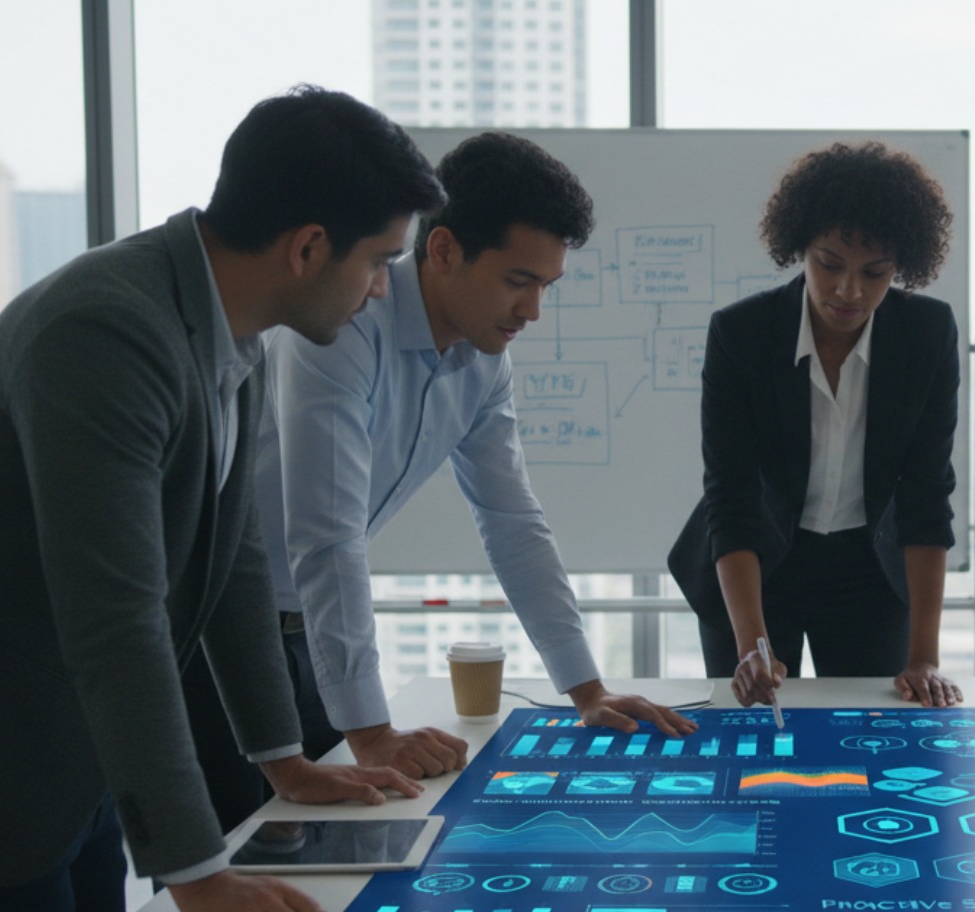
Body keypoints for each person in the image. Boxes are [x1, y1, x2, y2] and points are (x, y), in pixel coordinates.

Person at [0, 87, 445, 912]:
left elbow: (241, 556)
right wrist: (198, 873)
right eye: (379, 261)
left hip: (63, 756)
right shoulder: (106, 330)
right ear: (306, 247)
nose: (382, 288)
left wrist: (281, 757)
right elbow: (117, 618)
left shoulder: (230, 331)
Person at [190, 133, 699, 831]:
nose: (533, 312)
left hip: (308, 635)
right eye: (518, 281)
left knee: (322, 857)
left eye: (545, 287)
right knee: (233, 873)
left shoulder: (484, 361)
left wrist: (586, 690)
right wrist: (373, 733)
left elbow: (513, 520)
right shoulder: (343, 324)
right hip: (218, 633)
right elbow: (326, 534)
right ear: (443, 251)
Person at [668, 142, 963, 708]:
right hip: (755, 562)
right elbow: (729, 498)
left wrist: (925, 657)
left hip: (868, 571)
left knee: (873, 736)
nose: (849, 291)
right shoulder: (742, 334)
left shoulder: (927, 334)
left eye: (874, 273)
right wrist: (752, 642)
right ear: (800, 246)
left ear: (901, 265)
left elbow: (928, 496)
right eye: (829, 264)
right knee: (752, 729)